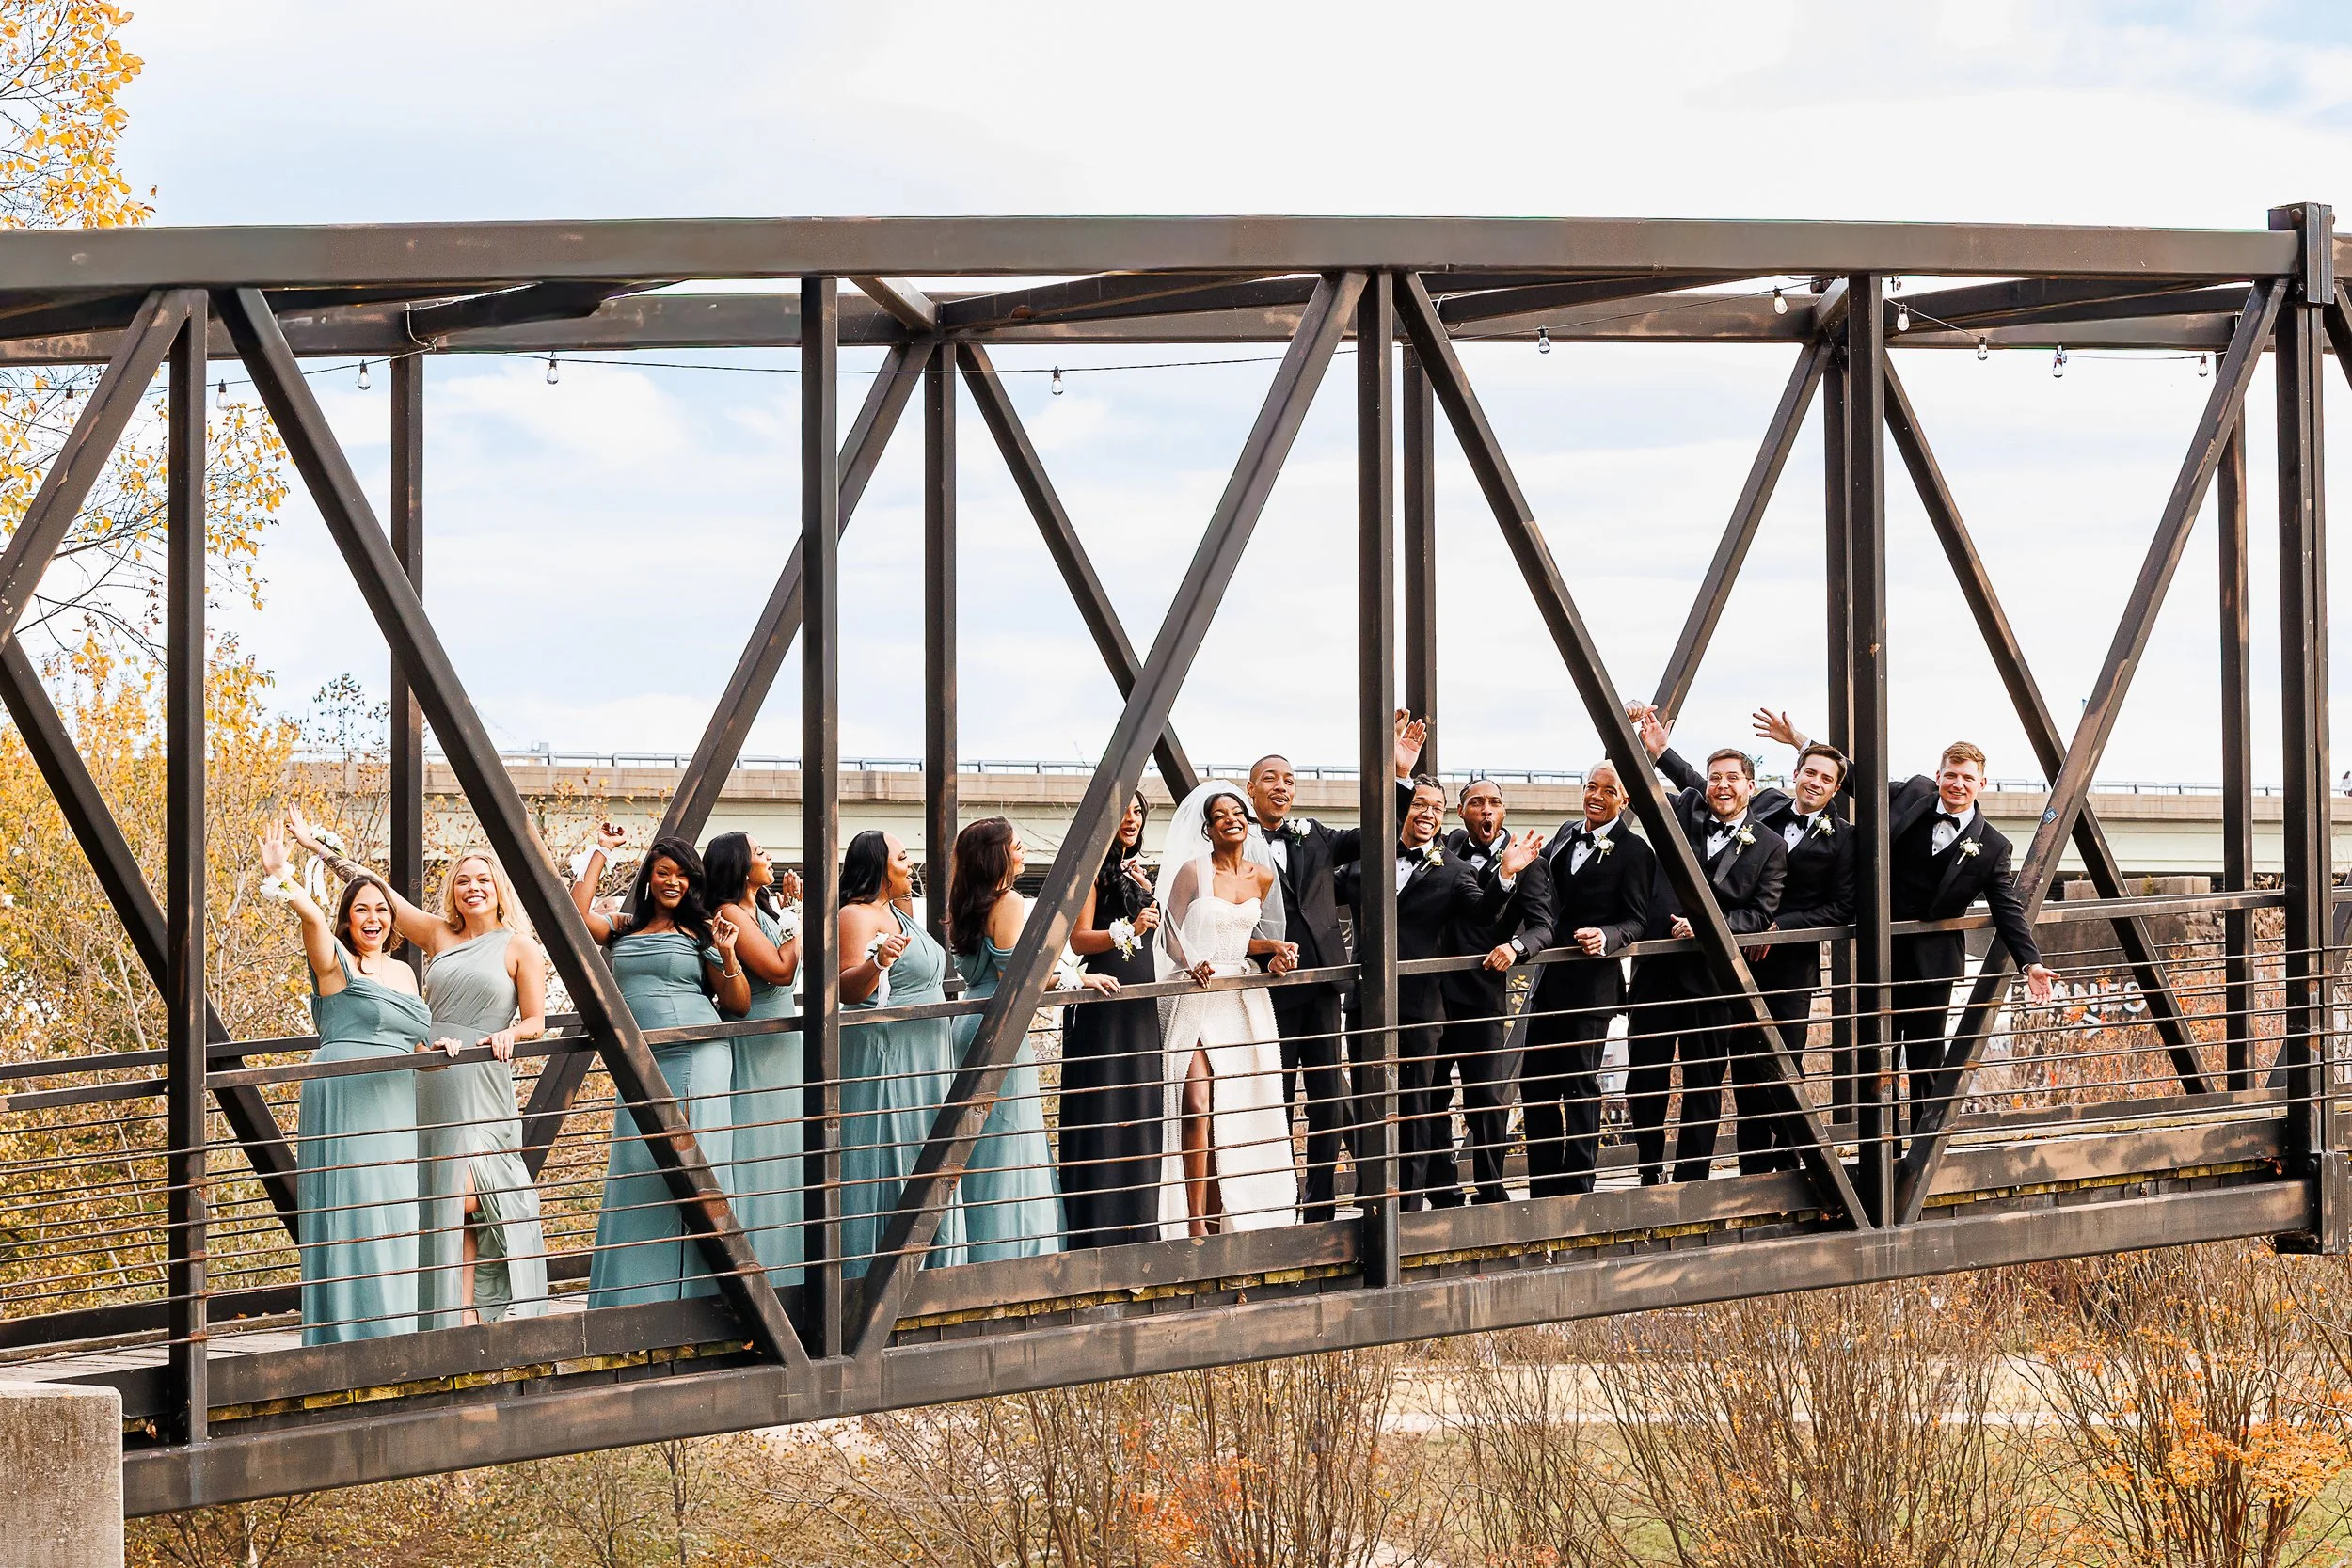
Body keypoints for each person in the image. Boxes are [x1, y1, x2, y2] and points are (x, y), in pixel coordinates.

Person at [287, 811, 550, 1328]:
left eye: (482, 880)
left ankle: (482, 1307)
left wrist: (510, 1034)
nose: (472, 888)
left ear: (498, 889)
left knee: (476, 1192)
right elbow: (376, 896)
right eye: (462, 881)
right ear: (452, 892)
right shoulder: (437, 936)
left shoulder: (520, 946)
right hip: (430, 1068)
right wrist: (320, 851)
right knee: (436, 1193)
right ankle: (448, 1316)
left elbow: (538, 1020)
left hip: (481, 1070)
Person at [1752, 711, 2056, 1132]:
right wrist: (1798, 740)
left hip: (1933, 965)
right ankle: (1881, 1155)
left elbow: (2006, 907)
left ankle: (1920, 1156)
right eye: (1951, 775)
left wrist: (2031, 962)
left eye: (1968, 778)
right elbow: (1853, 778)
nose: (1958, 785)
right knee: (1876, 1059)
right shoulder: (1912, 793)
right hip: (1881, 954)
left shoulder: (1992, 846)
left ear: (1981, 784)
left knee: (1926, 1059)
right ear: (1938, 775)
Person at [1636, 707, 1853, 1170]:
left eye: (1826, 778)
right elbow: (1712, 788)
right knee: (1738, 1073)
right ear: (1794, 775)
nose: (1814, 782)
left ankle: (1793, 1161)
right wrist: (1661, 753)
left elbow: (1843, 907)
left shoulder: (1847, 839)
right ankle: (1753, 1165)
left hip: (1787, 965)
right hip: (1734, 966)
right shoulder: (1767, 807)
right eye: (1807, 772)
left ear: (1838, 788)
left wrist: (1777, 926)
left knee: (1782, 1070)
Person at [1245, 713, 1424, 1220]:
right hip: (1268, 990)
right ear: (1250, 787)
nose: (1282, 788)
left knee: (1327, 1098)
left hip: (1324, 984)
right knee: (1271, 1099)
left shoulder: (1315, 835)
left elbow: (1377, 835)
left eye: (1289, 780)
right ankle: (1274, 1201)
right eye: (1271, 779)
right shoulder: (1234, 841)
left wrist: (1397, 776)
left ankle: (1320, 1203)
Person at [259, 816, 429, 1345]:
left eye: (381, 909)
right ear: (347, 920)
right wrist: (285, 878)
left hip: (398, 1102)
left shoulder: (404, 973)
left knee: (397, 1207)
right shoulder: (335, 964)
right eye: (361, 910)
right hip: (348, 1096)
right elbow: (311, 919)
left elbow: (413, 1032)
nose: (372, 918)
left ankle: (396, 1328)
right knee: (358, 1204)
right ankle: (350, 1335)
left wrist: (435, 1047)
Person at [1337, 777, 1541, 1208]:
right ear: (1403, 810)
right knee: (1365, 1098)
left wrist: (1505, 873)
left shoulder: (1454, 870)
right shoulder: (1365, 861)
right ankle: (1369, 1195)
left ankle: (1409, 1209)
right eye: (1419, 804)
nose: (1427, 813)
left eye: (1436, 807)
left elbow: (1484, 912)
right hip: (1365, 1003)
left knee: (1416, 1107)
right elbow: (1317, 895)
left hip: (1420, 1006)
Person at [570, 825, 748, 1305]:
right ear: (649, 877)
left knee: (697, 1168)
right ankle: (634, 1296)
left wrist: (729, 955)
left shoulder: (702, 930)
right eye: (663, 872)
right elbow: (575, 915)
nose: (673, 882)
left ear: (693, 882)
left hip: (697, 1054)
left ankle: (707, 1294)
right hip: (641, 1062)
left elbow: (738, 1002)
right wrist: (601, 853)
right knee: (638, 1164)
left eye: (682, 875)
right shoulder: (624, 926)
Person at [946, 817, 1117, 1261]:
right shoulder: (1008, 902)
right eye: (1017, 846)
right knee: (1009, 1141)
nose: (1024, 853)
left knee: (985, 1142)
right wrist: (1079, 977)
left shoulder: (968, 900)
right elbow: (1014, 979)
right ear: (997, 854)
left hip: (971, 1023)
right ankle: (1012, 1253)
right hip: (999, 1030)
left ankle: (982, 1246)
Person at [1624, 748, 1787, 1183]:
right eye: (1715, 777)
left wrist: (1705, 926)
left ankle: (1690, 1179)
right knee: (1644, 1081)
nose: (1722, 786)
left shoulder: (1771, 846)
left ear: (1750, 786)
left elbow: (1758, 914)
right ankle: (1648, 1169)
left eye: (1733, 778)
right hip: (1654, 975)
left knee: (1703, 1084)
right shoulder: (1684, 811)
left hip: (1713, 982)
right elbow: (1641, 784)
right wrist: (1653, 749)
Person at [1155, 784, 1303, 1236]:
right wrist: (1189, 961)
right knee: (1197, 1102)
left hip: (1241, 998)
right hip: (1197, 994)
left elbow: (1248, 936)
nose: (1231, 819)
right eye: (1220, 815)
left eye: (1236, 811)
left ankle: (1230, 1211)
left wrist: (1275, 949)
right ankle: (1195, 1221)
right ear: (1208, 827)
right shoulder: (1190, 872)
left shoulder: (1262, 875)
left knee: (1235, 1105)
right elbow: (1167, 934)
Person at [1523, 762, 1656, 1196]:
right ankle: (1543, 1180)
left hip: (1592, 984)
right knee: (1534, 1080)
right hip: (1550, 979)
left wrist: (1607, 935)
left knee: (1581, 1082)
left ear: (1625, 799)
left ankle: (1578, 1181)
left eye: (1607, 790)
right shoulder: (1564, 833)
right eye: (1590, 787)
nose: (1596, 796)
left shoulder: (1636, 853)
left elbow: (1636, 920)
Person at [837, 830, 965, 1275]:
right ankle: (881, 1273)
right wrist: (877, 964)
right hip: (890, 1056)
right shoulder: (855, 916)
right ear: (878, 868)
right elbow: (848, 990)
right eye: (903, 858)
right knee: (894, 1156)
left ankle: (936, 1269)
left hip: (928, 1057)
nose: (911, 865)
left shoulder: (899, 911)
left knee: (928, 1157)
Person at [1057, 792, 1168, 1248]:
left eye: (1138, 810)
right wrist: (1129, 929)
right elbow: (1080, 941)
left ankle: (1139, 1224)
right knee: (1103, 1109)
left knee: (1141, 1108)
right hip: (1104, 1007)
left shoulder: (1139, 873)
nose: (1131, 818)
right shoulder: (1091, 873)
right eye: (1122, 809)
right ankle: (1097, 1224)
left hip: (1142, 1006)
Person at [1438, 778, 1555, 1204]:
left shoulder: (1530, 862)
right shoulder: (1445, 846)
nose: (1486, 811)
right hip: (1433, 991)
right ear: (1461, 812)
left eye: (1495, 804)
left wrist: (1516, 946)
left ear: (1503, 812)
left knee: (1486, 1094)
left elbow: (1544, 925)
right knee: (1433, 1093)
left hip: (1484, 990)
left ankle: (1491, 1188)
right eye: (1476, 803)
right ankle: (1442, 1189)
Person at [702, 831, 803, 1286]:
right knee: (760, 1155)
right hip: (757, 1042)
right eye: (761, 852)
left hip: (783, 1045)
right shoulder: (729, 913)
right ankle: (765, 1272)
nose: (770, 856)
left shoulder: (757, 908)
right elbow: (781, 970)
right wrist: (799, 921)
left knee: (787, 1155)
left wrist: (783, 908)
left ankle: (792, 1264)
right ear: (741, 866)